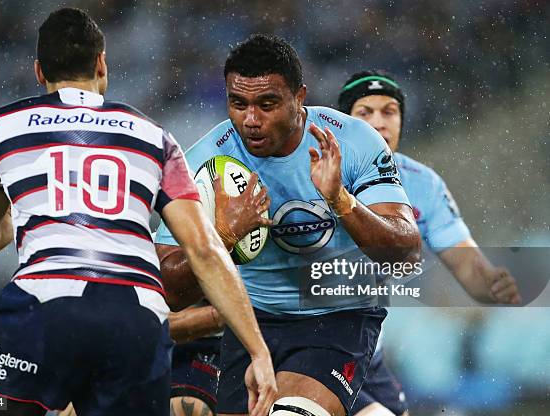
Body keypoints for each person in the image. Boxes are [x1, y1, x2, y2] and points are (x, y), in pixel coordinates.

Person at [0, 8, 277, 416]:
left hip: (43, 310)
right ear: (102, 63)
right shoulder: (153, 136)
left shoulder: (1, 127)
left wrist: (22, 210)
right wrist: (258, 350)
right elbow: (204, 248)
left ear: (39, 71)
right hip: (135, 319)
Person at [155, 34, 421, 416]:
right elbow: (169, 290)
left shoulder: (352, 142)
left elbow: (406, 254)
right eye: (238, 103)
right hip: (250, 324)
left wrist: (341, 201)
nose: (251, 120)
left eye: (267, 104)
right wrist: (224, 237)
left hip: (337, 317)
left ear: (300, 98)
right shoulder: (203, 161)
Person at [337, 70, 522, 416]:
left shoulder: (425, 185)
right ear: (342, 123)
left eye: (389, 111)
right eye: (365, 113)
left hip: (365, 345)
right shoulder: (317, 175)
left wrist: (489, 284)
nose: (379, 122)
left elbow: (465, 260)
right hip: (312, 335)